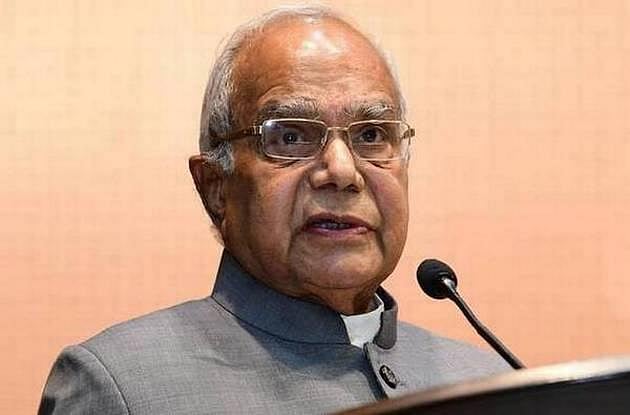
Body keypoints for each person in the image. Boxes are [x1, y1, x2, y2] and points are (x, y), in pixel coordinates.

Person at [39, 6, 508, 414]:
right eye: (290, 136)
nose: (342, 171)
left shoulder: (490, 383)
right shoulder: (121, 387)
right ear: (215, 187)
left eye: (371, 135)